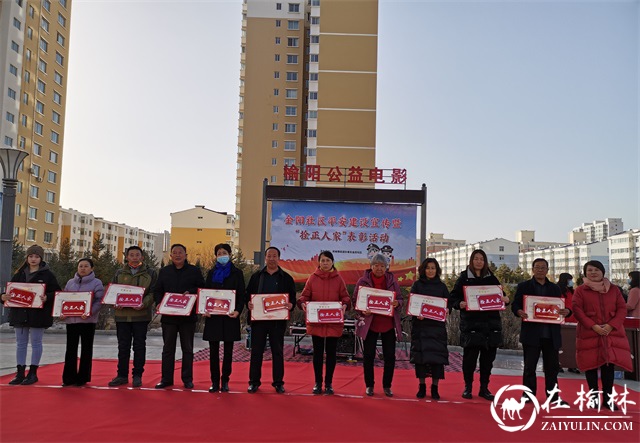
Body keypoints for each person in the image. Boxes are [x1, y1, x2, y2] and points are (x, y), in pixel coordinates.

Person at [572, 260, 633, 410]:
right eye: (590, 270)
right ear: (585, 273)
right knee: (590, 366)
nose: (593, 273)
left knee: (608, 367)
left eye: (596, 270)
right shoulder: (580, 290)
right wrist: (593, 326)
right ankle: (593, 398)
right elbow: (577, 310)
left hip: (610, 333)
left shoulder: (614, 290)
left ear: (602, 272)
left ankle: (608, 399)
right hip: (589, 333)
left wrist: (611, 325)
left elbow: (621, 309)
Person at [450, 249, 509, 400]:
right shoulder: (464, 277)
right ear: (471, 260)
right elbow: (453, 297)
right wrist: (459, 303)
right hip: (471, 326)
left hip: (490, 326)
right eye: (476, 258)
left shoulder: (491, 278)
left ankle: (484, 388)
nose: (478, 261)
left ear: (485, 262)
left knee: (487, 360)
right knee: (469, 359)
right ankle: (468, 387)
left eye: (481, 259)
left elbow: (501, 297)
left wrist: (505, 300)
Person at [512, 259, 571, 404]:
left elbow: (563, 307)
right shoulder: (524, 286)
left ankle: (553, 397)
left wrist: (567, 311)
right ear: (532, 269)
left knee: (552, 369)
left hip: (551, 334)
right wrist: (519, 311)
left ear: (547, 270)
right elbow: (515, 304)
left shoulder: (555, 288)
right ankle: (528, 395)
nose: (540, 270)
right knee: (529, 367)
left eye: (543, 267)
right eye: (537, 267)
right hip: (531, 333)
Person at [1, 245, 60, 385]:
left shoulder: (47, 275)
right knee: (20, 344)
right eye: (31, 256)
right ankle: (20, 373)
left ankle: (33, 373)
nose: (33, 259)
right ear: (27, 258)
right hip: (20, 314)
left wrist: (47, 297)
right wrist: (2, 297)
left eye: (37, 256)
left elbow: (57, 292)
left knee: (36, 343)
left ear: (41, 258)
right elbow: (9, 292)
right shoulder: (20, 273)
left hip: (38, 315)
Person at [298, 251, 351, 395]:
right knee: (318, 353)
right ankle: (317, 383)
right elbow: (304, 296)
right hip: (317, 323)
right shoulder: (312, 278)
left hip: (333, 322)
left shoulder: (339, 279)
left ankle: (329, 384)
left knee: (332, 354)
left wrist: (345, 304)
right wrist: (303, 303)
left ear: (332, 262)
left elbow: (345, 297)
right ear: (319, 262)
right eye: (323, 260)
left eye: (328, 260)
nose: (325, 263)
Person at [246, 246, 296, 393]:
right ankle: (254, 382)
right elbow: (248, 294)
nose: (272, 259)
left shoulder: (286, 278)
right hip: (259, 321)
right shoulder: (256, 276)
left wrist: (291, 304)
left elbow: (292, 297)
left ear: (278, 258)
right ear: (265, 258)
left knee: (278, 352)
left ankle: (278, 382)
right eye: (269, 256)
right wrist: (248, 303)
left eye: (275, 256)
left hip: (277, 322)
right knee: (256, 352)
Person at [154, 244, 204, 390]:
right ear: (170, 256)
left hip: (187, 317)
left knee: (187, 349)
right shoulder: (164, 271)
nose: (177, 255)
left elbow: (202, 288)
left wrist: (191, 292)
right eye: (174, 253)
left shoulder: (194, 271)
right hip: (169, 317)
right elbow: (158, 290)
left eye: (180, 252)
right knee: (168, 349)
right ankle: (166, 379)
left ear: (185, 255)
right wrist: (158, 303)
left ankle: (187, 379)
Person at [354, 253, 403, 397]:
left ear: (386, 267)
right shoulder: (362, 281)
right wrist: (363, 309)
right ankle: (369, 385)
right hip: (370, 324)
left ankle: (387, 386)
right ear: (371, 266)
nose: (379, 268)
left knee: (390, 356)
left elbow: (400, 299)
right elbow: (356, 300)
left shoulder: (392, 281)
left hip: (388, 324)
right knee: (368, 356)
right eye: (376, 265)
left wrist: (397, 303)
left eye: (382, 266)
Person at [108, 246, 157, 388]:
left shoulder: (150, 273)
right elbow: (112, 291)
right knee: (123, 347)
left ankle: (137, 375)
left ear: (142, 257)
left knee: (139, 346)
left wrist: (144, 303)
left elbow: (153, 292)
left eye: (137, 255)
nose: (134, 257)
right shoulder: (119, 273)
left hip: (141, 315)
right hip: (122, 316)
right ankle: (122, 375)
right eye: (131, 255)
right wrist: (114, 303)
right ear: (127, 257)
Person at [203, 243, 245, 393]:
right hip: (213, 317)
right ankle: (214, 381)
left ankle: (225, 380)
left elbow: (241, 295)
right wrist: (204, 309)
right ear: (216, 256)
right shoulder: (211, 272)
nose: (222, 255)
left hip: (230, 317)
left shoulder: (237, 273)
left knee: (228, 351)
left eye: (224, 252)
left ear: (229, 254)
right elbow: (205, 294)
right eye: (219, 253)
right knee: (213, 352)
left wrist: (238, 311)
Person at [409, 258, 449, 400]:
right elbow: (412, 305)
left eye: (433, 268)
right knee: (421, 359)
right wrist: (416, 314)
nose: (430, 271)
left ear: (437, 270)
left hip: (437, 329)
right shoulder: (417, 285)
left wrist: (446, 310)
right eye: (428, 268)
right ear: (423, 270)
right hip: (421, 328)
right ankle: (422, 386)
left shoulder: (442, 287)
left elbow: (447, 305)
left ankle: (435, 387)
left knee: (437, 359)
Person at [61, 258, 105, 386]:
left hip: (88, 321)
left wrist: (90, 312)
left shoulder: (97, 283)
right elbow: (63, 299)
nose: (83, 268)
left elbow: (99, 301)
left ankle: (83, 378)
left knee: (86, 349)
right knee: (70, 349)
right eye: (80, 266)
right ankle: (69, 378)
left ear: (91, 268)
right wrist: (61, 312)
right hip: (72, 321)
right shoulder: (70, 282)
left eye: (86, 266)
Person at [557, 272, 579, 373]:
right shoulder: (558, 290)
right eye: (569, 280)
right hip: (561, 320)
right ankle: (558, 364)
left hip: (573, 320)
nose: (571, 282)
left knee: (572, 345)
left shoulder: (572, 291)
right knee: (560, 344)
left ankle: (572, 364)